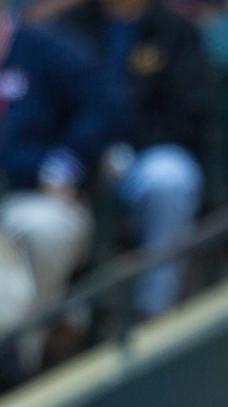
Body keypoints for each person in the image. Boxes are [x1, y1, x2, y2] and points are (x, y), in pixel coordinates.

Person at [56, 0, 208, 317]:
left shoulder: (174, 30)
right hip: (76, 158)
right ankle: (64, 321)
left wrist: (127, 148)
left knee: (171, 178)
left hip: (146, 156)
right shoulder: (66, 26)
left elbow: (189, 118)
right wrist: (86, 155)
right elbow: (48, 110)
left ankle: (154, 309)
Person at [0, 2, 126, 381]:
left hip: (34, 197)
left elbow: (107, 107)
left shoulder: (46, 50)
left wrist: (67, 164)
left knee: (42, 231)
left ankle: (24, 360)